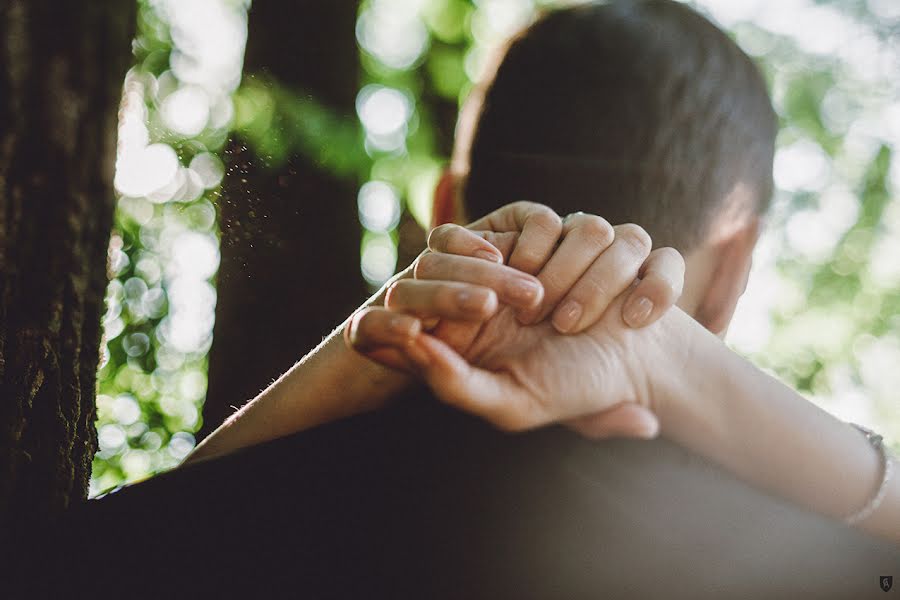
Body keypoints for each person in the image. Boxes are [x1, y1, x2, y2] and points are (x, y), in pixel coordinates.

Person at [49, 1, 898, 597]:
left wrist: (349, 360)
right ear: (736, 265)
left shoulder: (202, 541)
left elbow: (83, 566)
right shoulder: (827, 571)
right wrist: (669, 354)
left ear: (447, 210)